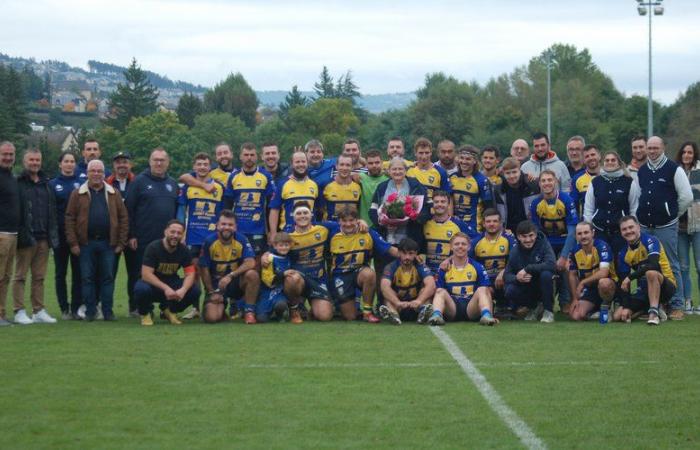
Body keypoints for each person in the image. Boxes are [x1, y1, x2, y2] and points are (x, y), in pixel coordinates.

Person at [634, 136, 692, 320]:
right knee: (645, 266)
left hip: (666, 226)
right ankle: (650, 305)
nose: (652, 151)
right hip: (644, 226)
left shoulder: (674, 169)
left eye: (655, 148)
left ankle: (676, 305)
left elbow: (686, 197)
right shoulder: (642, 171)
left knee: (671, 265)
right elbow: (637, 197)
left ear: (663, 148)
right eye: (649, 148)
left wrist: (672, 213)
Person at [65, 159, 128, 321]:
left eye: (99, 171)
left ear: (104, 173)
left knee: (108, 278)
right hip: (86, 244)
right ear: (87, 173)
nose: (96, 174)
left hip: (108, 243)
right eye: (93, 171)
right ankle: (90, 312)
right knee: (87, 278)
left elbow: (123, 218)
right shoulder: (77, 193)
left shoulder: (114, 193)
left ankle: (108, 311)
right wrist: (73, 243)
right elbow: (69, 219)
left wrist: (121, 243)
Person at [125, 148, 180, 312]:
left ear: (167, 163)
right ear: (149, 162)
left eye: (162, 160)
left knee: (166, 275)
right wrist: (131, 234)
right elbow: (128, 209)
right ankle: (137, 307)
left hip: (167, 242)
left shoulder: (172, 183)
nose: (158, 163)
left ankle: (166, 307)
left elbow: (177, 212)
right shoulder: (138, 182)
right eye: (155, 160)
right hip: (142, 239)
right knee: (138, 274)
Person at [13, 148, 59, 324]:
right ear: (25, 162)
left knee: (39, 277)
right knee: (20, 276)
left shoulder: (46, 183)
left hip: (43, 238)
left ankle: (38, 310)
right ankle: (19, 310)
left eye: (37, 160)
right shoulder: (18, 182)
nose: (35, 163)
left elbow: (51, 211)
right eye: (31, 160)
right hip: (26, 237)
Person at [328, 208, 398, 322]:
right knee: (350, 317)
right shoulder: (331, 230)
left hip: (359, 272)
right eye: (344, 221)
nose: (348, 224)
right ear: (339, 221)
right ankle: (337, 302)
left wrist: (409, 255)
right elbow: (311, 224)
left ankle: (367, 312)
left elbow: (389, 249)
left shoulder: (367, 232)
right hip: (340, 276)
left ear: (357, 220)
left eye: (351, 220)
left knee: (369, 274)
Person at [177, 152, 224, 319]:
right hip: (193, 238)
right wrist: (182, 232)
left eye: (205, 164)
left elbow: (223, 213)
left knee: (211, 274)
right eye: (199, 164)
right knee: (194, 273)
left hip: (212, 238)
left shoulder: (218, 188)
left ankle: (212, 304)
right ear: (194, 167)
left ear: (210, 167)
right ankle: (195, 308)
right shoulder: (188, 187)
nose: (202, 167)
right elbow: (182, 211)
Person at [135, 220, 201, 326]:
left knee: (195, 290)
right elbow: (146, 274)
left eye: (179, 233)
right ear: (165, 232)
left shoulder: (184, 250)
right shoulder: (153, 248)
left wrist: (183, 290)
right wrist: (166, 288)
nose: (175, 235)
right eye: (172, 232)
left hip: (172, 283)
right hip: (153, 285)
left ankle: (170, 310)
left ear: (183, 235)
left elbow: (190, 273)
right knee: (141, 289)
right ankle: (145, 313)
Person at [614, 215, 677, 326]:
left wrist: (630, 277)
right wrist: (626, 304)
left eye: (631, 227)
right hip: (644, 290)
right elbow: (623, 282)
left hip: (666, 286)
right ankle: (647, 309)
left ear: (638, 227)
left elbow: (653, 265)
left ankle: (653, 313)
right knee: (619, 316)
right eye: (624, 229)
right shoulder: (623, 253)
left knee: (651, 272)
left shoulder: (650, 240)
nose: (628, 231)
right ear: (621, 232)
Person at [198, 210, 259, 324]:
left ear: (235, 227)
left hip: (235, 282)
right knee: (211, 318)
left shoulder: (241, 239)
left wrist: (231, 276)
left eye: (230, 225)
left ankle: (249, 311)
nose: (226, 227)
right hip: (217, 285)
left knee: (252, 274)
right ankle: (221, 308)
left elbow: (251, 262)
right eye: (223, 224)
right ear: (217, 225)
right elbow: (203, 269)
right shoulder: (209, 241)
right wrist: (211, 292)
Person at [530, 170, 578, 313]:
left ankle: (566, 301)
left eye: (549, 180)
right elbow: (537, 232)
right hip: (547, 244)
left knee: (566, 268)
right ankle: (540, 303)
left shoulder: (566, 200)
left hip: (564, 242)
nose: (547, 183)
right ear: (539, 184)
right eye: (543, 181)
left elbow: (572, 232)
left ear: (556, 181)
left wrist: (564, 256)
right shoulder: (535, 203)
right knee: (541, 269)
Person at [427, 232, 497, 326]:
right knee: (440, 291)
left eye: (463, 244)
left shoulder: (477, 266)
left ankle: (486, 316)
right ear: (451, 247)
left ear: (468, 247)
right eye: (456, 244)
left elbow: (487, 293)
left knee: (483, 289)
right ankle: (436, 316)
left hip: (471, 307)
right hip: (452, 308)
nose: (460, 246)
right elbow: (437, 292)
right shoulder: (444, 267)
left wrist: (492, 314)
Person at [283, 203, 335, 322]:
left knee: (325, 316)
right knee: (292, 279)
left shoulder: (323, 229)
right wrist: (266, 255)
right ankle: (294, 309)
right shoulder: (287, 234)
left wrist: (360, 222)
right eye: (299, 213)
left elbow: (344, 224)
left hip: (318, 279)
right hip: (299, 279)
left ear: (311, 215)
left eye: (305, 213)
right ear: (293, 216)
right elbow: (275, 252)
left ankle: (313, 309)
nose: (302, 216)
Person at [223, 143, 275, 258]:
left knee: (256, 264)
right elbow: (227, 206)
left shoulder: (265, 176)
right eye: (246, 155)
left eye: (252, 154)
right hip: (238, 229)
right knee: (236, 261)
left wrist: (271, 231)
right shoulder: (234, 177)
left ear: (257, 157)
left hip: (258, 230)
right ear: (240, 157)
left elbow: (271, 206)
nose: (249, 157)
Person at [583, 151, 639, 255]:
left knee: (620, 265)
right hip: (599, 232)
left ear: (619, 163)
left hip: (621, 233)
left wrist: (632, 230)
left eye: (613, 160)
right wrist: (589, 230)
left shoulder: (629, 182)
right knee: (601, 264)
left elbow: (634, 209)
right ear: (603, 163)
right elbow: (588, 208)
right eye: (607, 160)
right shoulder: (595, 182)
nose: (610, 162)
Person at [49, 152, 82, 319]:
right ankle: (64, 308)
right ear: (60, 164)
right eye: (66, 161)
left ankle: (76, 308)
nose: (69, 164)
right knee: (60, 273)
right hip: (60, 237)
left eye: (72, 161)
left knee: (78, 273)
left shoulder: (81, 183)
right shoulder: (53, 184)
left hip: (77, 237)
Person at [504, 220, 556, 323]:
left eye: (531, 235)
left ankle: (548, 311)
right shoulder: (515, 251)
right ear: (518, 237)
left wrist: (528, 269)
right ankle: (534, 307)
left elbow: (551, 264)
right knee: (509, 290)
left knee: (546, 274)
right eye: (524, 236)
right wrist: (517, 278)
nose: (528, 240)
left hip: (544, 283)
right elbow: (506, 275)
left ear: (536, 234)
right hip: (527, 286)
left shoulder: (543, 244)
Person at [107, 151, 138, 314]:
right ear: (114, 165)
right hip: (112, 237)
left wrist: (133, 234)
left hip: (132, 236)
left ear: (130, 164)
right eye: (118, 162)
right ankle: (107, 307)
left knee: (134, 273)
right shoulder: (107, 183)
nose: (122, 165)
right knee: (109, 273)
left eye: (125, 162)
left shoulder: (137, 182)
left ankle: (134, 307)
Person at [379, 238, 436, 325]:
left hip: (416, 305)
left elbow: (431, 284)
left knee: (425, 292)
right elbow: (384, 286)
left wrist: (419, 301)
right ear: (398, 253)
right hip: (398, 305)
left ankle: (422, 313)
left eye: (410, 254)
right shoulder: (391, 267)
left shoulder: (420, 266)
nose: (407, 257)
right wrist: (397, 302)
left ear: (416, 254)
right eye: (404, 253)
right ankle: (394, 315)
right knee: (387, 297)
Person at [567, 222, 617, 321]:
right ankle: (594, 312)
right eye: (580, 234)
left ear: (593, 233)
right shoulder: (574, 251)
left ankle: (608, 307)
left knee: (604, 283)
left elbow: (604, 272)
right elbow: (572, 275)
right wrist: (575, 299)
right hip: (590, 289)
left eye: (586, 232)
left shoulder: (602, 246)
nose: (583, 236)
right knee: (576, 316)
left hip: (608, 286)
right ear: (575, 236)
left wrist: (583, 282)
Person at [469, 208, 517, 310]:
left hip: (505, 279)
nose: (492, 224)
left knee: (513, 288)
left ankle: (510, 307)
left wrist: (503, 273)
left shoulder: (509, 239)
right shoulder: (476, 242)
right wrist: (486, 283)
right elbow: (471, 265)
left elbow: (515, 261)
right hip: (486, 281)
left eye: (495, 221)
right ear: (483, 224)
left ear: (500, 223)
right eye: (488, 221)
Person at [674, 141, 700, 314]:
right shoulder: (675, 171)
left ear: (694, 154)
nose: (686, 155)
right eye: (684, 152)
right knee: (683, 266)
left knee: (699, 265)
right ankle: (686, 300)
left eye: (690, 152)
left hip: (698, 224)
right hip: (680, 225)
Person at [423, 190, 475, 274]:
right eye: (436, 202)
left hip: (449, 272)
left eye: (443, 202)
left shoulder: (458, 224)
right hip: (427, 273)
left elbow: (474, 240)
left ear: (448, 204)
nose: (439, 204)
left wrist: (452, 258)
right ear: (432, 204)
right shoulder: (425, 223)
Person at [269, 151, 319, 237]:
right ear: (292, 164)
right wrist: (273, 233)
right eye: (297, 162)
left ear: (307, 163)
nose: (301, 164)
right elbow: (274, 210)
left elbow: (318, 209)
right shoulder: (282, 184)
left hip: (310, 232)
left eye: (303, 161)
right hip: (288, 234)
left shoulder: (314, 185)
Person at [0, 142, 23, 326]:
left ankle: (1, 313)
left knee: (6, 276)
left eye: (11, 154)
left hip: (12, 234)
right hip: (1, 234)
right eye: (4, 154)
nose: (8, 157)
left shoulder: (11, 177)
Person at [259, 232, 300, 323]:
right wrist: (283, 274)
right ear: (275, 245)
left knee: (280, 305)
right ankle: (269, 312)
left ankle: (280, 314)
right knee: (262, 319)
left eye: (286, 245)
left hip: (281, 291)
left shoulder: (290, 256)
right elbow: (267, 280)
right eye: (281, 245)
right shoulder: (269, 258)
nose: (284, 248)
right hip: (268, 291)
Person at [449, 145, 492, 230]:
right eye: (461, 158)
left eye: (468, 159)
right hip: (454, 226)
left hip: (474, 227)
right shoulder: (452, 177)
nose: (464, 161)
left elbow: (489, 207)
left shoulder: (482, 180)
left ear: (475, 161)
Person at [493, 157, 540, 233]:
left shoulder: (532, 186)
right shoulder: (498, 190)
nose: (511, 176)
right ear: (503, 173)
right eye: (508, 173)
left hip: (530, 229)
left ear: (520, 171)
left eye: (514, 172)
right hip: (507, 230)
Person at [406, 137, 451, 202]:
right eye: (421, 153)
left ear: (431, 153)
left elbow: (447, 197)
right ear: (415, 153)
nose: (424, 156)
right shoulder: (408, 171)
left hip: (433, 211)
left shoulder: (441, 172)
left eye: (427, 153)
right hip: (413, 210)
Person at [319, 154, 361, 221]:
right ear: (336, 166)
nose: (344, 168)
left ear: (352, 167)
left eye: (348, 165)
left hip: (350, 226)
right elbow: (320, 209)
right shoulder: (325, 185)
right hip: (332, 228)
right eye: (342, 164)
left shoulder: (358, 187)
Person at [358, 149, 388, 225]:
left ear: (382, 163)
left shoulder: (389, 178)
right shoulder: (360, 177)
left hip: (385, 223)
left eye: (377, 162)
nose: (374, 165)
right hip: (365, 224)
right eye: (370, 163)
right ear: (366, 164)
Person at [570, 144, 601, 213]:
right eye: (587, 156)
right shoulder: (577, 179)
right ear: (583, 160)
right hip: (586, 221)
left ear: (599, 156)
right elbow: (574, 204)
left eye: (593, 155)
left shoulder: (608, 175)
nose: (590, 158)